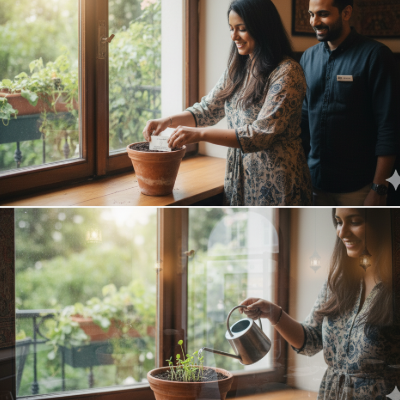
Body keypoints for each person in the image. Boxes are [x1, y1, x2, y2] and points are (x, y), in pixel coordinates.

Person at [142, 0, 312, 206]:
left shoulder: (287, 72)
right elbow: (208, 109)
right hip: (239, 177)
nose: (234, 37)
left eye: (242, 29)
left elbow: (259, 135)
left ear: (263, 27)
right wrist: (167, 120)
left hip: (276, 180)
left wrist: (199, 135)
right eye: (231, 29)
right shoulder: (239, 68)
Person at [240, 208, 399, 399]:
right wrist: (273, 313)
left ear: (381, 225)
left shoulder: (394, 290)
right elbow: (311, 341)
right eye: (339, 222)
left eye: (355, 222)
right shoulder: (338, 282)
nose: (341, 232)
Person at [300, 0, 400, 206]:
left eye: (323, 14)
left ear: (346, 13)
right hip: (313, 184)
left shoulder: (376, 56)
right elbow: (302, 118)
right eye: (311, 14)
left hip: (360, 187)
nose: (314, 21)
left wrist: (379, 187)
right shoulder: (307, 58)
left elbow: (389, 127)